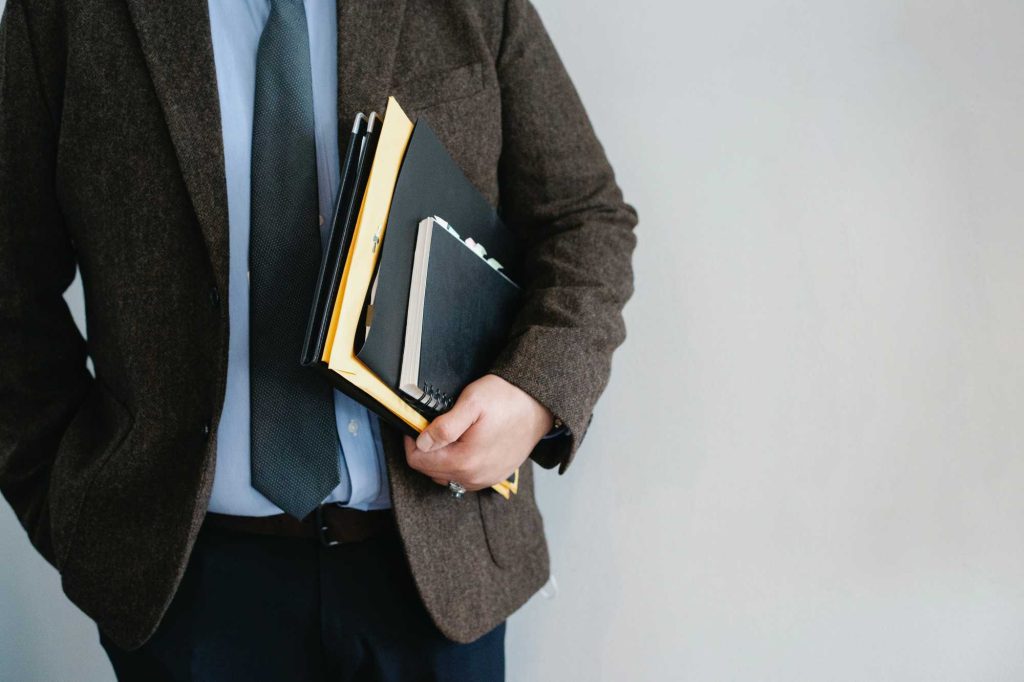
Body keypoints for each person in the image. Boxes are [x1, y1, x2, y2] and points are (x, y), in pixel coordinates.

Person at [0, 0, 637, 679]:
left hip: (437, 575)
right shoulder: (64, 13)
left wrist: (536, 392)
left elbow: (583, 218)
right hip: (185, 591)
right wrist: (73, 513)